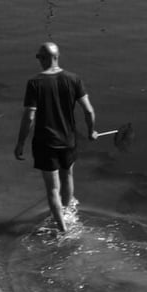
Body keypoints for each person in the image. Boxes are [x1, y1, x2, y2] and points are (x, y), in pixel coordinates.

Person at [14, 41, 97, 233]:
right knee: (67, 176)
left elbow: (30, 116)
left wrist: (20, 143)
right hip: (68, 140)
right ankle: (67, 215)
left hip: (45, 143)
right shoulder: (74, 79)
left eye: (40, 58)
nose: (39, 62)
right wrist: (91, 130)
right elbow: (89, 111)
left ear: (47, 58)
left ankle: (63, 230)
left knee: (52, 189)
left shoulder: (35, 83)